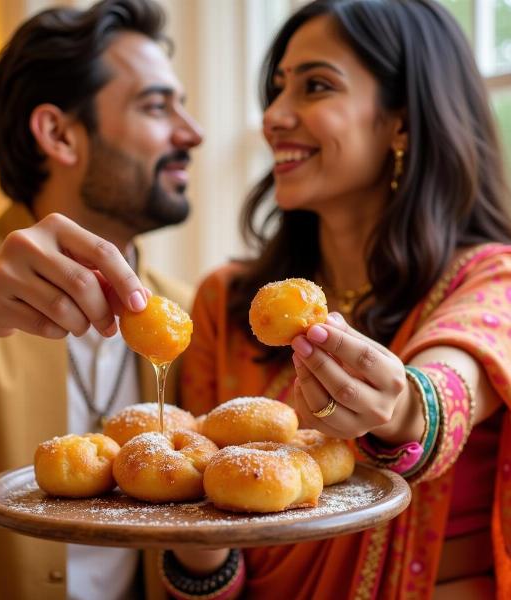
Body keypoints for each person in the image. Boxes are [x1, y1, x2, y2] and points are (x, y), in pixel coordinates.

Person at [163, 1, 511, 599]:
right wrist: (196, 540)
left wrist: (400, 407)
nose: (273, 116)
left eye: (316, 86)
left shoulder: (491, 281)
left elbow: (450, 387)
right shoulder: (225, 303)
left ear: (401, 120)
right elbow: (211, 559)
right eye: (276, 91)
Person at [0, 1, 202, 599]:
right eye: (155, 105)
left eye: (182, 105)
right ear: (59, 133)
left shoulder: (193, 310)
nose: (191, 132)